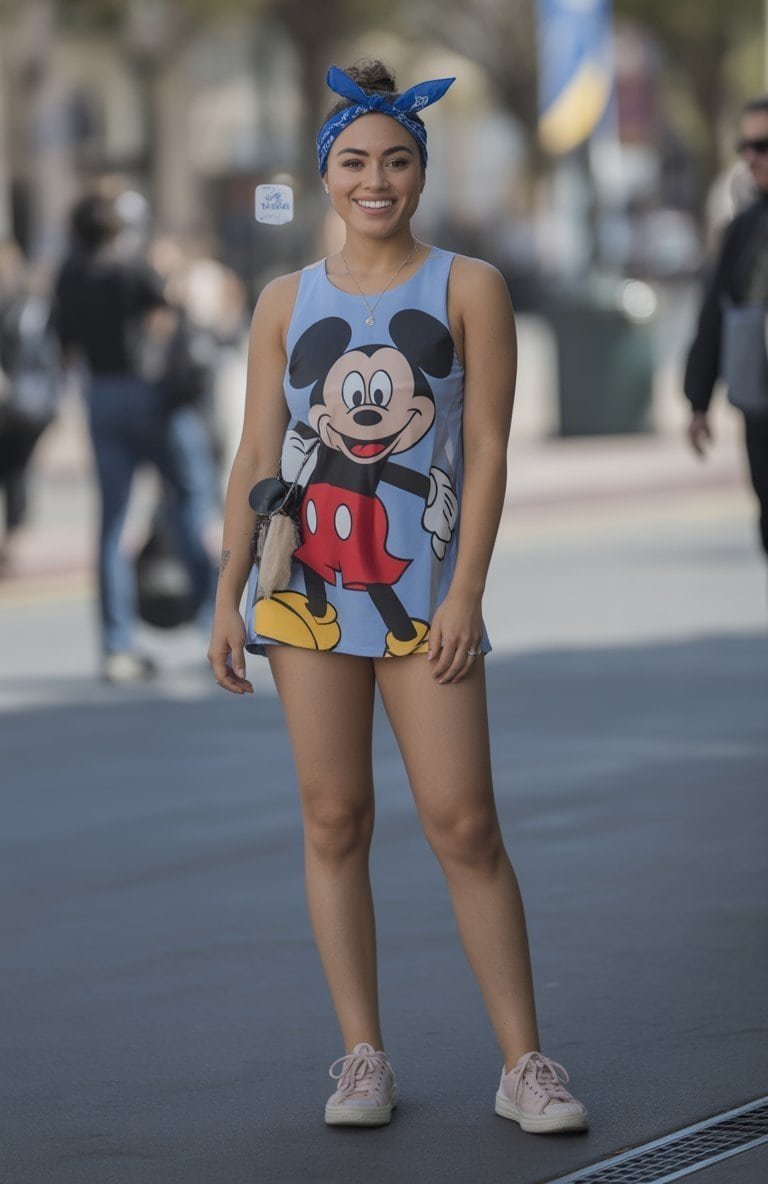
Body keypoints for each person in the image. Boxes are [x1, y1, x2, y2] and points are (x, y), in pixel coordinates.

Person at [208, 60, 589, 1133]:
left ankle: (527, 1066)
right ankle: (360, 1055)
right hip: (305, 592)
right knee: (335, 818)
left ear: (419, 172)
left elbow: (488, 448)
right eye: (355, 162)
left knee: (463, 821)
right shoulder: (286, 303)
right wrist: (227, 596)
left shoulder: (469, 287)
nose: (377, 179)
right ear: (326, 177)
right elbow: (254, 453)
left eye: (397, 161)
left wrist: (467, 591)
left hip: (427, 597)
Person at [53, 192, 218, 683]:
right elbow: (167, 320)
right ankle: (214, 624)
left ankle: (116, 644)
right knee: (192, 497)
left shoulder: (69, 274)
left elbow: (66, 348)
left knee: (112, 523)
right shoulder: (131, 267)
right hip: (146, 393)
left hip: (100, 396)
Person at [684, 95, 768, 562]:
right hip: (761, 411)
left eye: (763, 145)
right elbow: (715, 314)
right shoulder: (743, 229)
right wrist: (698, 401)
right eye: (745, 145)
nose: (749, 157)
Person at [0, 241, 60, 564]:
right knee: (15, 469)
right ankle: (13, 534)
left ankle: (13, 536)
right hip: (30, 401)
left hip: (21, 404)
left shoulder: (25, 307)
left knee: (14, 468)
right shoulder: (29, 306)